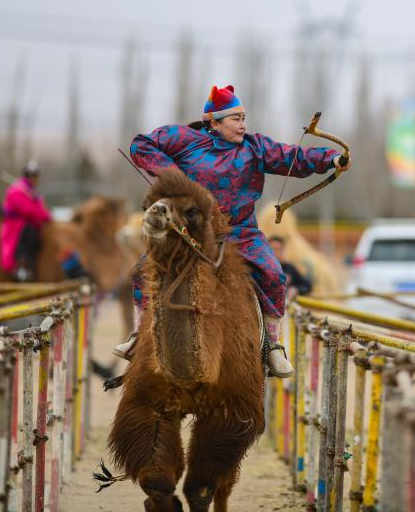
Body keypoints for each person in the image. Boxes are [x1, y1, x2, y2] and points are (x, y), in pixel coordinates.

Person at [115, 85, 348, 377]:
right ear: (214, 122)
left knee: (274, 276)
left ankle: (273, 347)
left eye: (243, 117)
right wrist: (172, 175)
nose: (243, 125)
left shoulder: (255, 147)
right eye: (235, 118)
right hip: (194, 231)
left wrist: (330, 159)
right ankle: (141, 336)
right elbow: (140, 144)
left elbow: (292, 157)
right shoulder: (184, 139)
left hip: (242, 232)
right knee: (142, 271)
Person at [0, 160, 52, 282]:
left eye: (35, 175)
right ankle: (22, 268)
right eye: (30, 175)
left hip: (30, 223)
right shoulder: (16, 191)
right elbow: (28, 210)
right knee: (29, 235)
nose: (33, 178)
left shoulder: (31, 192)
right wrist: (47, 216)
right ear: (26, 176)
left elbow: (37, 208)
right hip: (15, 226)